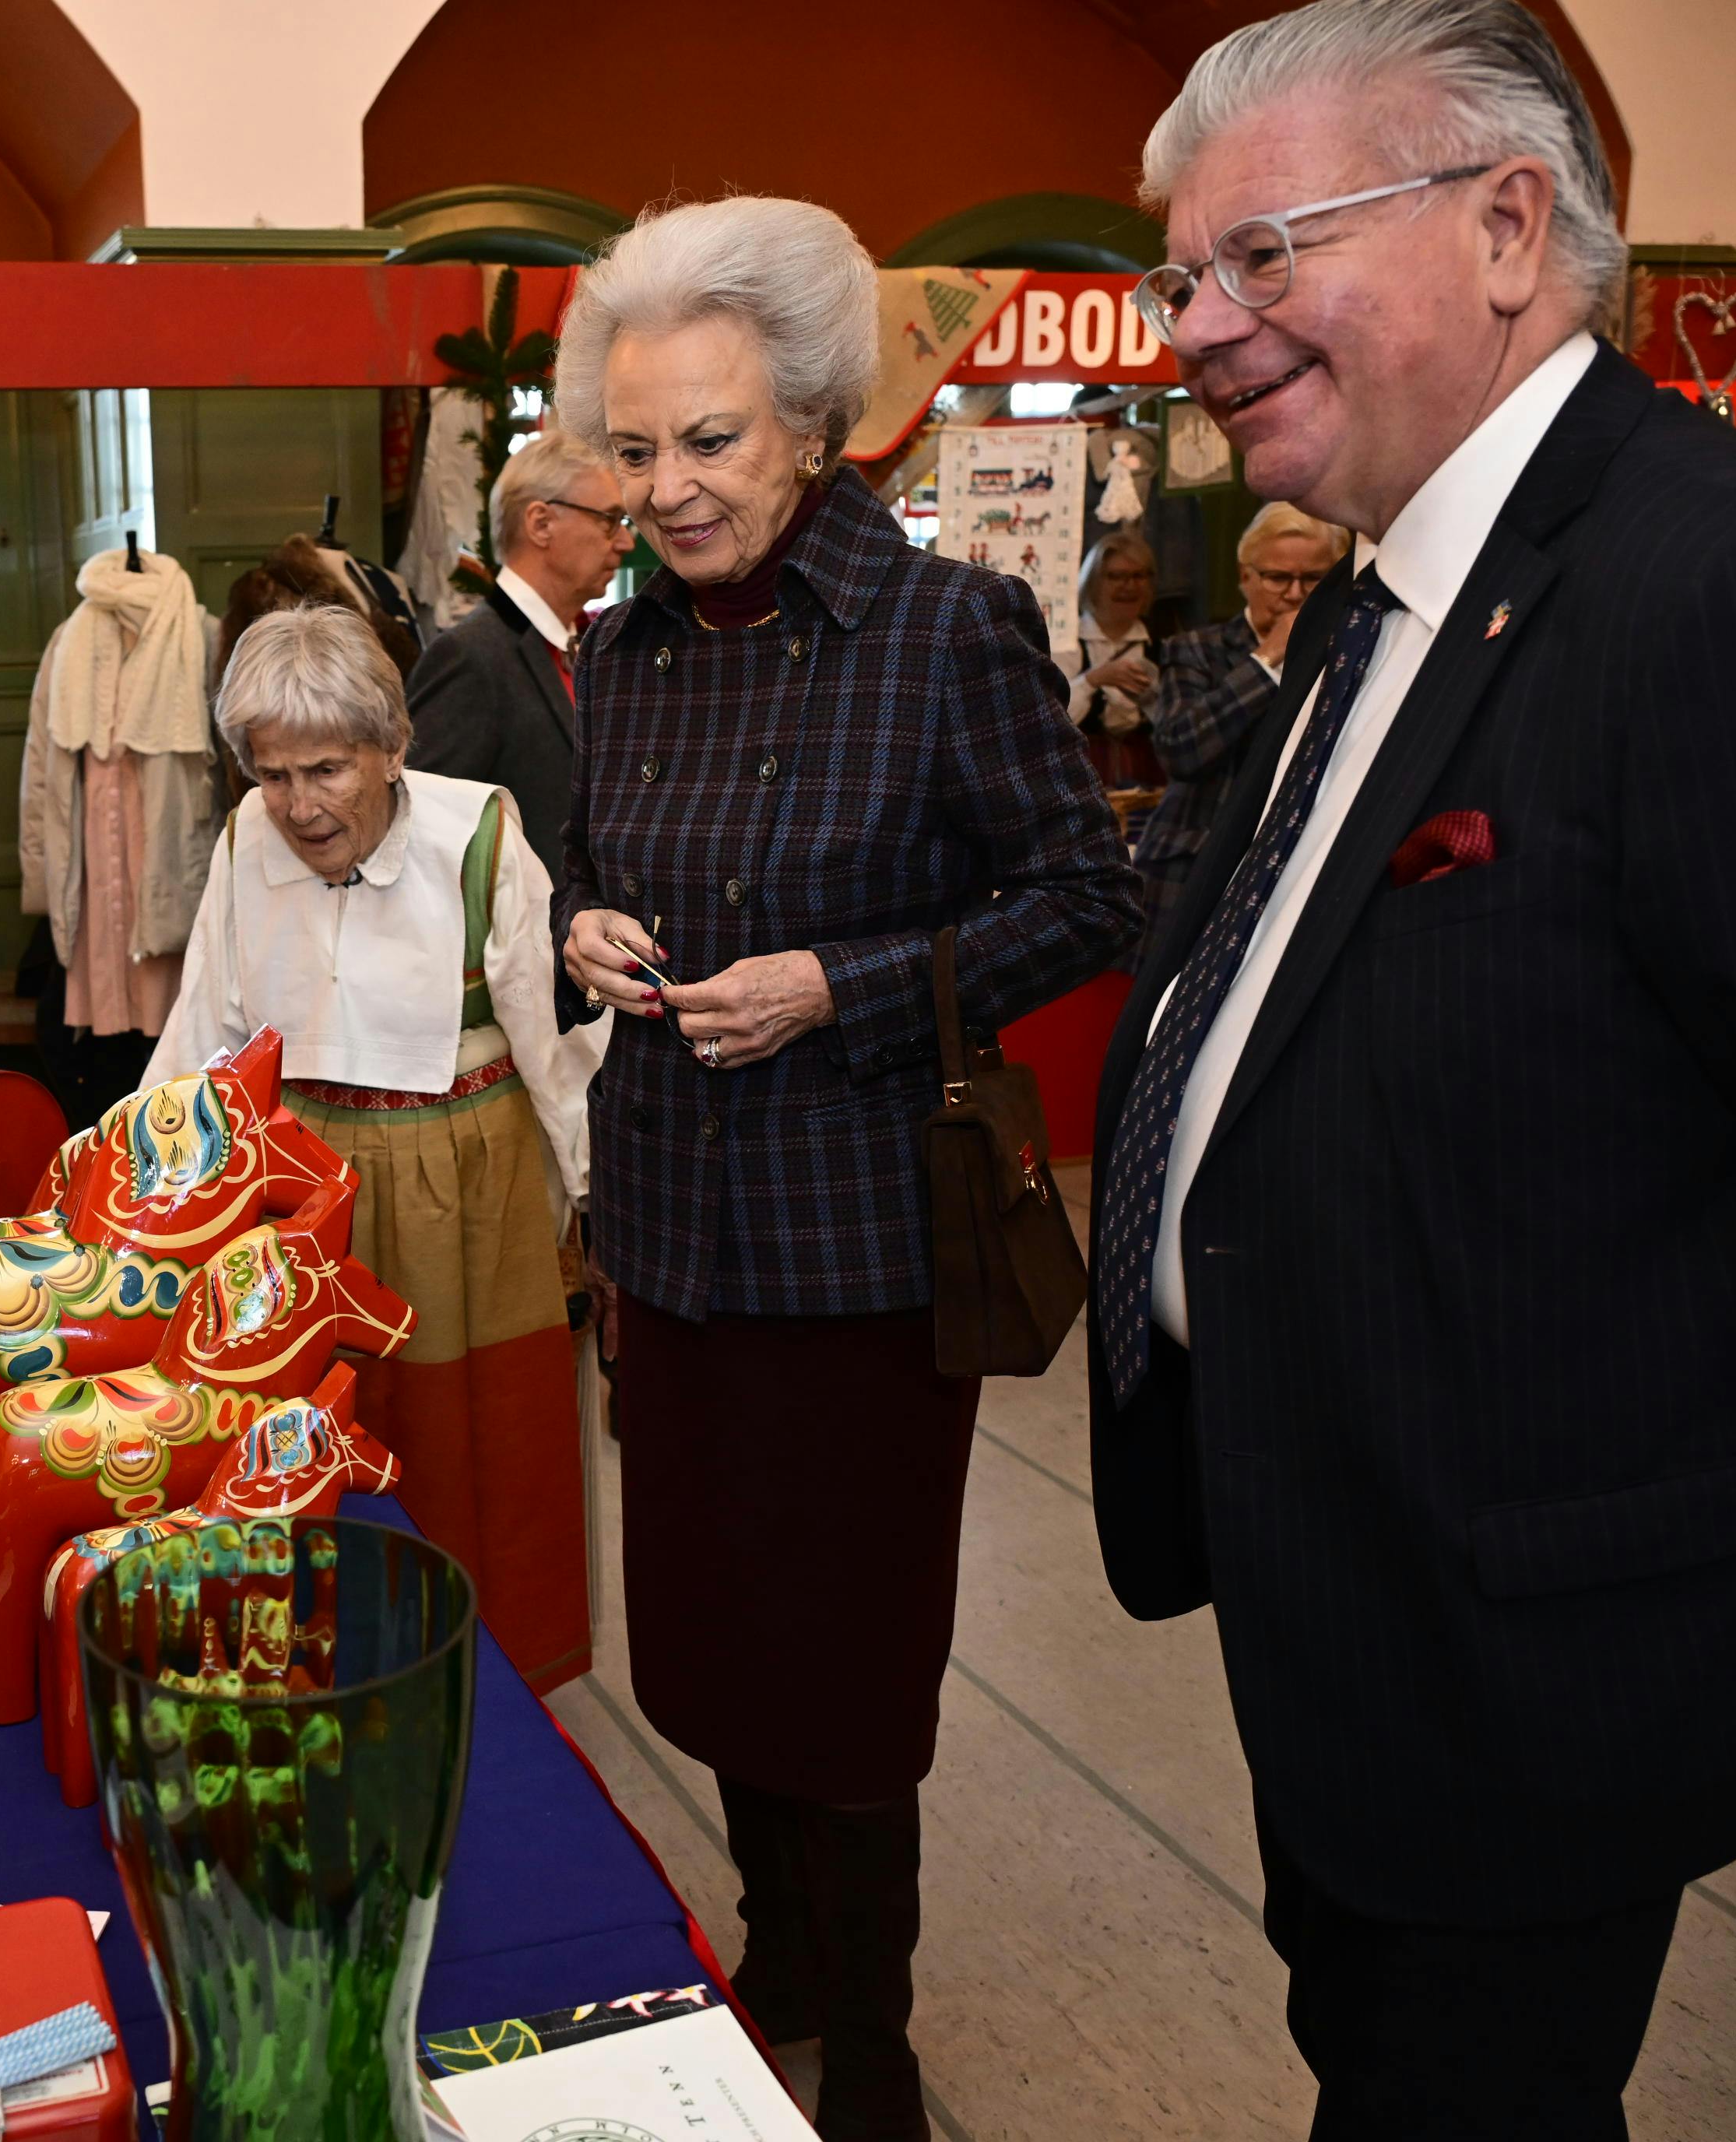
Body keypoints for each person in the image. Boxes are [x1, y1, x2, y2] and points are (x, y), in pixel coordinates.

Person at [1094, 2, 1736, 2133]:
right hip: (1351, 1618)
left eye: (1263, 258)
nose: (1198, 326)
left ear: (1506, 227)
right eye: (1186, 274)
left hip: (1554, 1671)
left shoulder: (1730, 585)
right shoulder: (1382, 600)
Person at [553, 195, 1138, 2140]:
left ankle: (869, 2029)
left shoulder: (942, 630)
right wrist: (585, 931)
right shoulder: (620, 655)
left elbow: (1084, 892)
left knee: (849, 1650)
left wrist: (841, 985)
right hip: (668, 1232)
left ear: (811, 423)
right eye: (633, 450)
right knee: (707, 1634)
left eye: (709, 441)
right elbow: (596, 864)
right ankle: (775, 1950)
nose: (669, 487)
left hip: (860, 1246)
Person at [146, 606, 601, 1690]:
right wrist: (144, 1181)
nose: (299, 807)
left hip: (462, 1179)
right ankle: (328, 1659)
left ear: (394, 749)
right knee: (303, 1435)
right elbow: (202, 1025)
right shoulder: (245, 840)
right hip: (299, 1189)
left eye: (327, 770)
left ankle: (484, 1672)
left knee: (463, 1441)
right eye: (272, 775)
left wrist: (596, 1202)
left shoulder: (480, 832)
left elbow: (553, 1042)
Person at [405, 426, 634, 884]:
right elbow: (418, 834)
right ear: (541, 524)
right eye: (609, 520)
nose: (626, 543)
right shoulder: (469, 658)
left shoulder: (588, 646)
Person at [1135, 501, 1347, 949]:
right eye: (1276, 578)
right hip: (1195, 871)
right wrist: (1268, 660)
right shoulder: (1196, 649)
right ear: (1244, 576)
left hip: (1300, 869)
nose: (1294, 594)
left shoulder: (1349, 653)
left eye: (1312, 579)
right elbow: (1180, 749)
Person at [1061, 530, 1165, 787]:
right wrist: (1093, 680)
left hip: (1146, 775)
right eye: (1116, 577)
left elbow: (1174, 723)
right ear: (1093, 582)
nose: (1129, 586)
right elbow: (1052, 718)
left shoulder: (1161, 645)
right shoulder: (1068, 643)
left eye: (1138, 576)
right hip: (1082, 776)